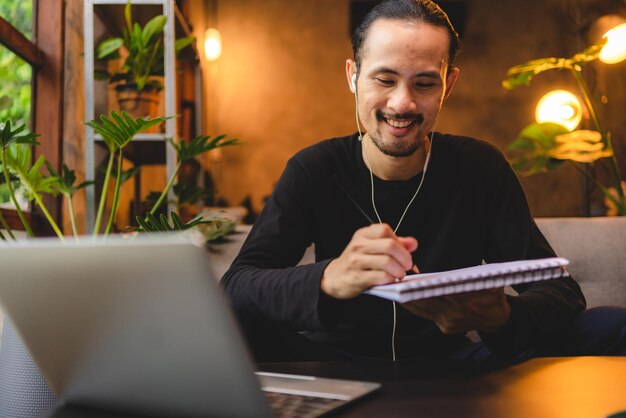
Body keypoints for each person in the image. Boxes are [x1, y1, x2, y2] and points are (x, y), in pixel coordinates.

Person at [221, 0, 626, 362]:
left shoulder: (479, 167)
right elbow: (238, 286)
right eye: (384, 79)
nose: (403, 103)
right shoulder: (313, 168)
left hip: (451, 365)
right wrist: (329, 278)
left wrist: (503, 316)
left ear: (447, 85)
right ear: (353, 76)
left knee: (611, 325)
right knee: (233, 328)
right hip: (333, 363)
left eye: (425, 83)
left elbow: (562, 292)